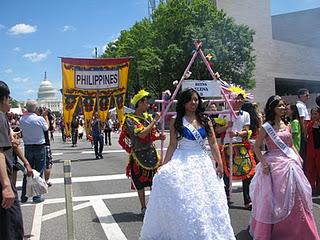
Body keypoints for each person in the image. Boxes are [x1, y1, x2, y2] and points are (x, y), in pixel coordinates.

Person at [140, 88, 235, 240]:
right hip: (182, 159)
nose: (194, 102)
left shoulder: (205, 119)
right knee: (185, 199)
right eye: (190, 100)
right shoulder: (176, 120)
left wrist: (220, 163)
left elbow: (212, 143)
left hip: (202, 161)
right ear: (184, 102)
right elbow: (172, 145)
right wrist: (163, 165)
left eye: (196, 99)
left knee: (205, 200)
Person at [250, 95, 319, 240]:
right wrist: (263, 163)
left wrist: (297, 156)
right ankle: (277, 230)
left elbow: (290, 144)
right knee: (275, 198)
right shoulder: (266, 127)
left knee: (297, 194)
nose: (283, 108)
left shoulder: (286, 123)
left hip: (290, 163)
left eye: (283, 105)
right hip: (274, 164)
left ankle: (300, 230)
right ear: (272, 108)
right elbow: (256, 147)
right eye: (279, 106)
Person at [119, 89, 165, 215]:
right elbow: (142, 134)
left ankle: (155, 207)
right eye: (146, 102)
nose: (149, 105)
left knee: (155, 182)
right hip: (138, 154)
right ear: (140, 103)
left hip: (151, 152)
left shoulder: (147, 117)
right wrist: (155, 120)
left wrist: (158, 137)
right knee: (140, 184)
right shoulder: (129, 119)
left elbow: (150, 135)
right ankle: (144, 207)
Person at [216, 91, 256, 209]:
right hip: (228, 146)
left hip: (241, 145)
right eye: (236, 99)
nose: (239, 101)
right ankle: (226, 197)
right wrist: (226, 127)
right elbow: (217, 130)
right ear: (231, 100)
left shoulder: (246, 114)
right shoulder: (223, 113)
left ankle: (247, 200)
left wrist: (237, 133)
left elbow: (247, 131)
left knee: (246, 172)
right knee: (228, 173)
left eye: (241, 99)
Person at [0, 81, 24, 239]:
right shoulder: (0, 117)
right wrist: (6, 185)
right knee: (12, 228)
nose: (9, 102)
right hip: (3, 180)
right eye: (8, 98)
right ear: (3, 98)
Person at [20, 100, 48, 203]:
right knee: (39, 171)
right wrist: (45, 117)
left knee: (27, 172)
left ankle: (24, 195)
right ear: (35, 108)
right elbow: (46, 128)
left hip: (28, 146)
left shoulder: (22, 119)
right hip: (39, 146)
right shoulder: (39, 119)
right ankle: (37, 196)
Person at [305, 107, 320, 195]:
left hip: (319, 150)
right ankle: (312, 188)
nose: (314, 116)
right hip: (312, 150)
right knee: (310, 169)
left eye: (316, 114)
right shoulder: (310, 125)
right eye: (312, 114)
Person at [296, 88, 310, 163]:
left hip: (304, 130)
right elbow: (302, 120)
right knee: (303, 152)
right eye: (306, 95)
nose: (308, 97)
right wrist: (305, 134)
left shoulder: (302, 105)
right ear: (301, 96)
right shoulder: (300, 106)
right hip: (303, 131)